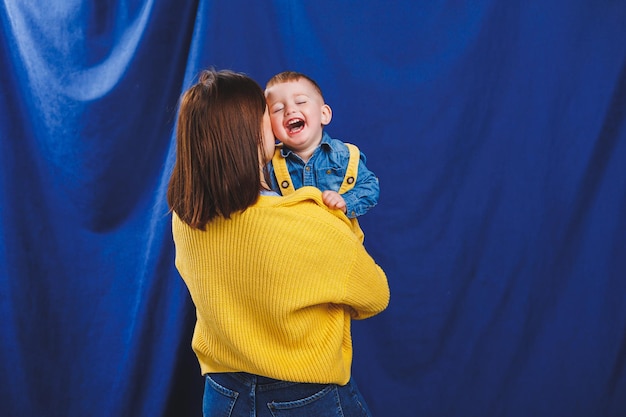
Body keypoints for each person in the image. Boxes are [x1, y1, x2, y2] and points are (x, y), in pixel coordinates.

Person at [167, 69, 390, 417]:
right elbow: (375, 295)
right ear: (254, 136)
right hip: (305, 397)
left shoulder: (185, 220)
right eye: (267, 114)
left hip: (223, 395)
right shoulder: (311, 218)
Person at [265, 71, 380, 219]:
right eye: (278, 109)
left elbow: (370, 186)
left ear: (324, 114)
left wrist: (346, 201)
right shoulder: (268, 164)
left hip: (336, 239)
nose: (290, 110)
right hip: (291, 240)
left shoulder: (344, 156)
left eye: (300, 102)